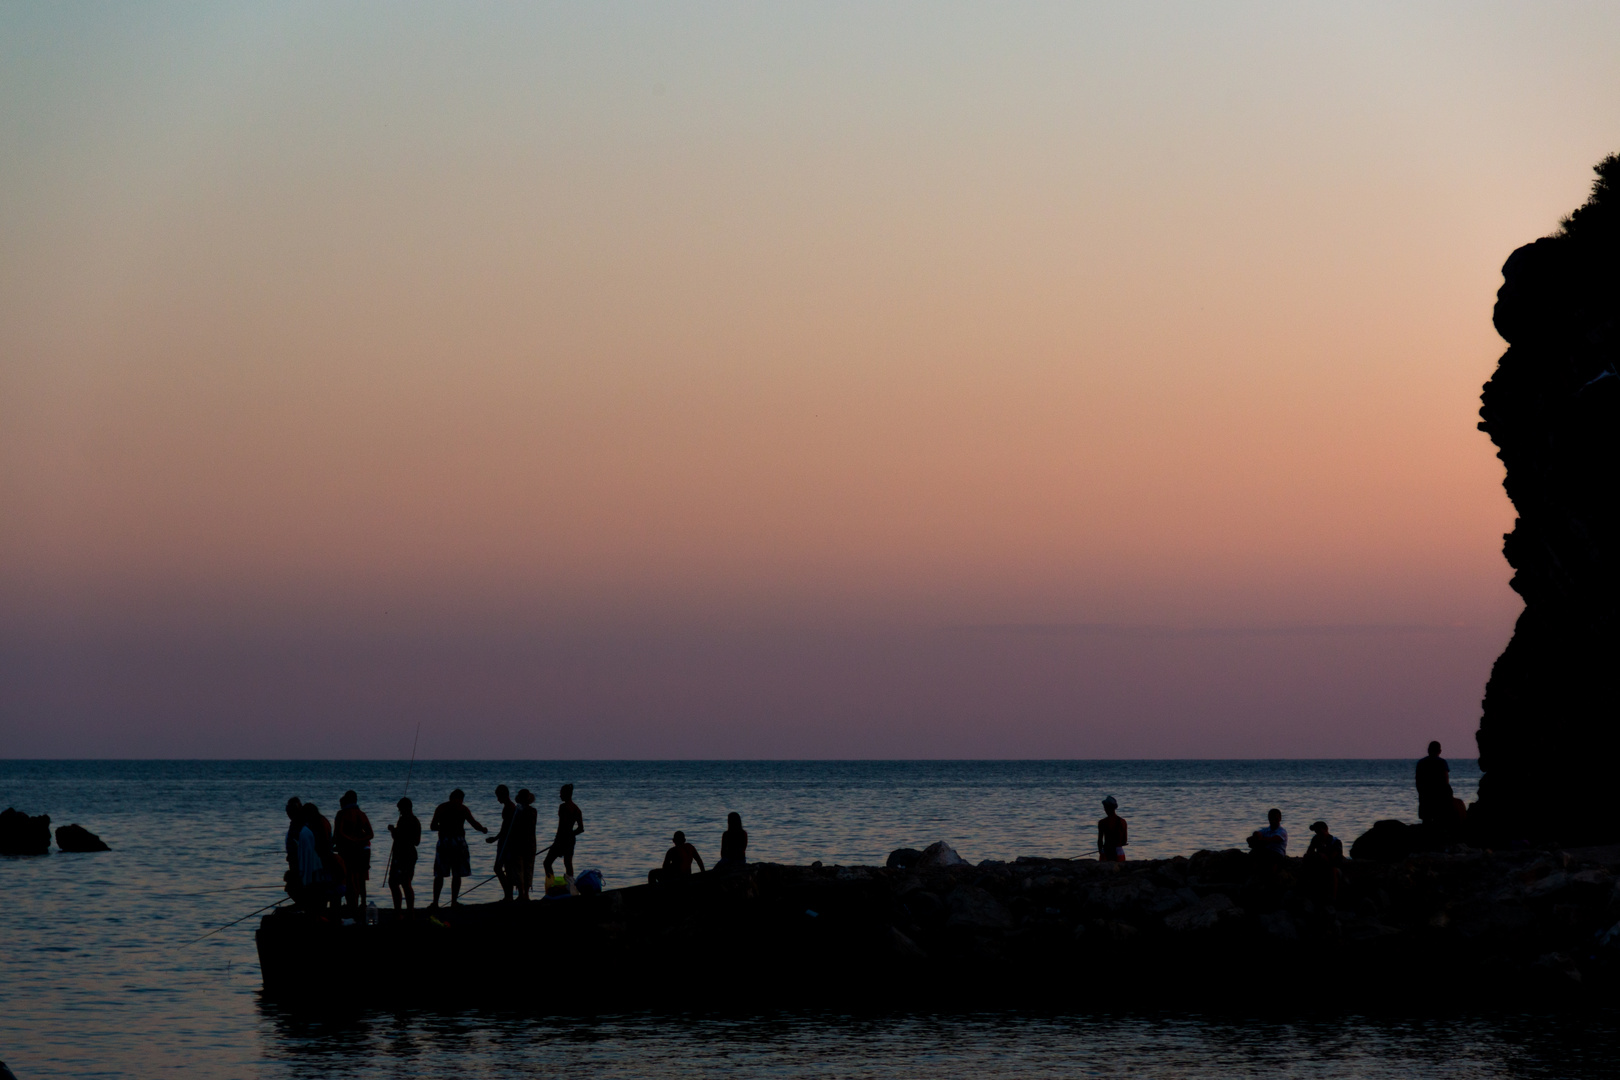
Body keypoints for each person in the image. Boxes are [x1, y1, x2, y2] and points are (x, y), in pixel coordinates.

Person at [430, 788, 487, 908]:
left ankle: (445, 902)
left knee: (450, 874)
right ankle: (444, 902)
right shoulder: (459, 808)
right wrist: (482, 829)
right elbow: (474, 823)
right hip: (453, 842)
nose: (458, 802)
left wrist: (482, 829)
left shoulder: (445, 808)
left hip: (449, 843)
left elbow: (433, 826)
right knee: (447, 874)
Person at [333, 790, 374, 913]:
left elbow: (338, 833)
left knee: (349, 879)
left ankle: (353, 905)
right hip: (361, 851)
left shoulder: (342, 814)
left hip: (347, 851)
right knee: (361, 878)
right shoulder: (362, 814)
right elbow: (370, 834)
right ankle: (362, 903)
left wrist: (350, 840)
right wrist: (359, 840)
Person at [542, 784, 585, 896]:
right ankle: (569, 887)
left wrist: (558, 840)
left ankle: (551, 886)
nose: (560, 795)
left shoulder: (563, 807)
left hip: (561, 839)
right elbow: (581, 829)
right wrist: (571, 834)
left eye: (561, 793)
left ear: (567, 794)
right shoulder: (576, 809)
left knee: (547, 863)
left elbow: (561, 827)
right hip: (569, 840)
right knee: (568, 863)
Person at [386, 796, 421, 912]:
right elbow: (417, 841)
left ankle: (399, 911)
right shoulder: (416, 821)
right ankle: (409, 912)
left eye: (400, 809)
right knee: (406, 883)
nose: (399, 812)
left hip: (402, 856)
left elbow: (397, 837)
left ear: (406, 808)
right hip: (411, 855)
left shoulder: (403, 820)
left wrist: (392, 830)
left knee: (394, 883)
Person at [1416, 741, 1457, 834]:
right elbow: (1446, 780)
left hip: (1425, 796)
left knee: (1426, 822)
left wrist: (1421, 793)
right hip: (1439, 797)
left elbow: (1418, 781)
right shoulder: (1442, 762)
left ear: (1428, 750)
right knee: (1440, 822)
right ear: (1440, 751)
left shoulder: (1421, 763)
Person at [486, 784, 515, 902]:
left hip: (506, 842)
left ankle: (508, 895)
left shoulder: (509, 807)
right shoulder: (509, 806)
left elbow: (506, 828)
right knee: (506, 869)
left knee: (499, 868)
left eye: (498, 796)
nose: (497, 799)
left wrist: (495, 838)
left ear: (504, 795)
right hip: (505, 841)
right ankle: (508, 895)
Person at [508, 789, 539, 901]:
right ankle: (525, 894)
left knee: (519, 870)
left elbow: (516, 827)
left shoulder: (519, 812)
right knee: (528, 869)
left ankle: (522, 894)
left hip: (519, 843)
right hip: (530, 843)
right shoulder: (533, 811)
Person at [1303, 820, 1344, 902]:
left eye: (1320, 832)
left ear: (1326, 829)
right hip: (1320, 865)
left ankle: (1333, 898)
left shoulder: (1336, 842)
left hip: (1335, 868)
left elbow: (1331, 858)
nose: (1318, 835)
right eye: (1316, 832)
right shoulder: (1316, 839)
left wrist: (1321, 855)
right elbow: (1309, 851)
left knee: (1332, 871)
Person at [1097, 796, 1128, 862]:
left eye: (1105, 807)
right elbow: (1124, 841)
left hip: (1106, 852)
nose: (1104, 809)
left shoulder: (1102, 822)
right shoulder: (1123, 822)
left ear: (1107, 808)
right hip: (1119, 852)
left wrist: (1100, 850)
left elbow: (1100, 841)